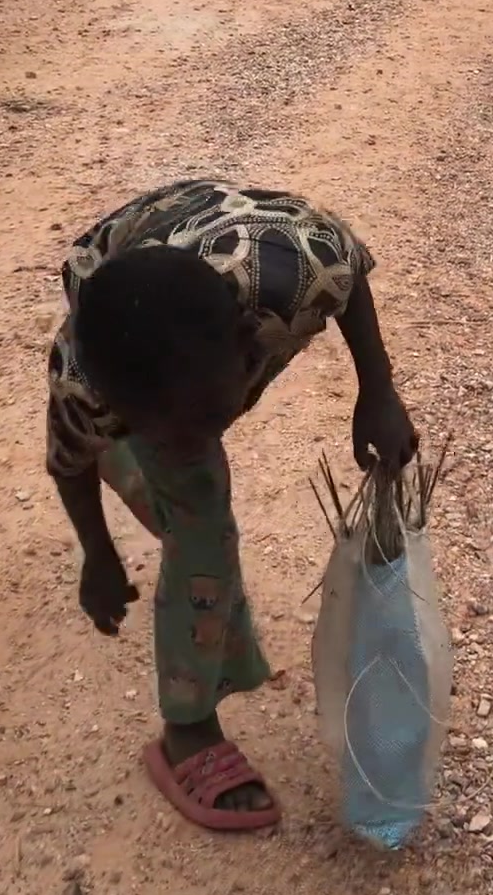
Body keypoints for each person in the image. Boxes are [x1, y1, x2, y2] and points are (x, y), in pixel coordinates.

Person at [45, 178, 416, 833]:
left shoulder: (301, 269)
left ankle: (132, 454)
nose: (192, 438)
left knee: (182, 474)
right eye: (154, 426)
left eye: (205, 418)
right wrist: (97, 556)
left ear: (252, 344)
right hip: (125, 279)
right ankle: (185, 731)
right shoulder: (84, 386)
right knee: (201, 528)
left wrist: (377, 391)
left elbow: (350, 275)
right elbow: (66, 464)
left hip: (217, 250)